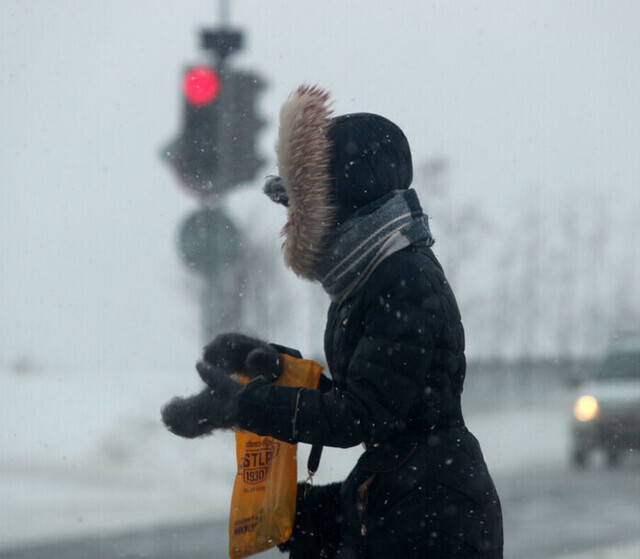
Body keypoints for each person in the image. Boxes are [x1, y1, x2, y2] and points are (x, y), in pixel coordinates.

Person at [162, 84, 503, 558]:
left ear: (339, 202)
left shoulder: (403, 278)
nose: (291, 221)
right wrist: (273, 371)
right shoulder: (367, 277)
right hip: (404, 494)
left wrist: (246, 407)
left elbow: (360, 415)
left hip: (434, 515)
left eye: (298, 205)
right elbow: (372, 401)